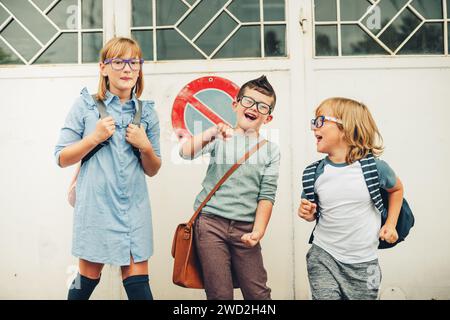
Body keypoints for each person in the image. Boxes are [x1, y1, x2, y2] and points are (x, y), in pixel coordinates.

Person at [54, 37, 161, 300]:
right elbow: (61, 157)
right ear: (103, 68)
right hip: (96, 210)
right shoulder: (85, 106)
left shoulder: (147, 113)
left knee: (139, 288)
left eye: (134, 62)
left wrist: (145, 146)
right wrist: (94, 138)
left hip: (134, 211)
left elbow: (153, 168)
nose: (127, 69)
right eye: (119, 62)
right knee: (85, 283)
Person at [180, 75, 281, 300]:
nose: (253, 108)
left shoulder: (270, 150)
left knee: (258, 293)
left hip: (246, 229)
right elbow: (184, 153)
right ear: (235, 105)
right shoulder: (220, 136)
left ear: (268, 117)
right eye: (248, 101)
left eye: (262, 106)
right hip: (210, 225)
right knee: (219, 294)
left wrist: (258, 231)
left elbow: (267, 194)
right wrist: (211, 133)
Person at [298, 97, 404, 300]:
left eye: (320, 121)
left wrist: (390, 225)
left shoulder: (374, 168)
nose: (313, 127)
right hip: (323, 256)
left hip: (365, 264)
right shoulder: (315, 173)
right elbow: (311, 212)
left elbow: (396, 190)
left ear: (345, 128)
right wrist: (307, 213)